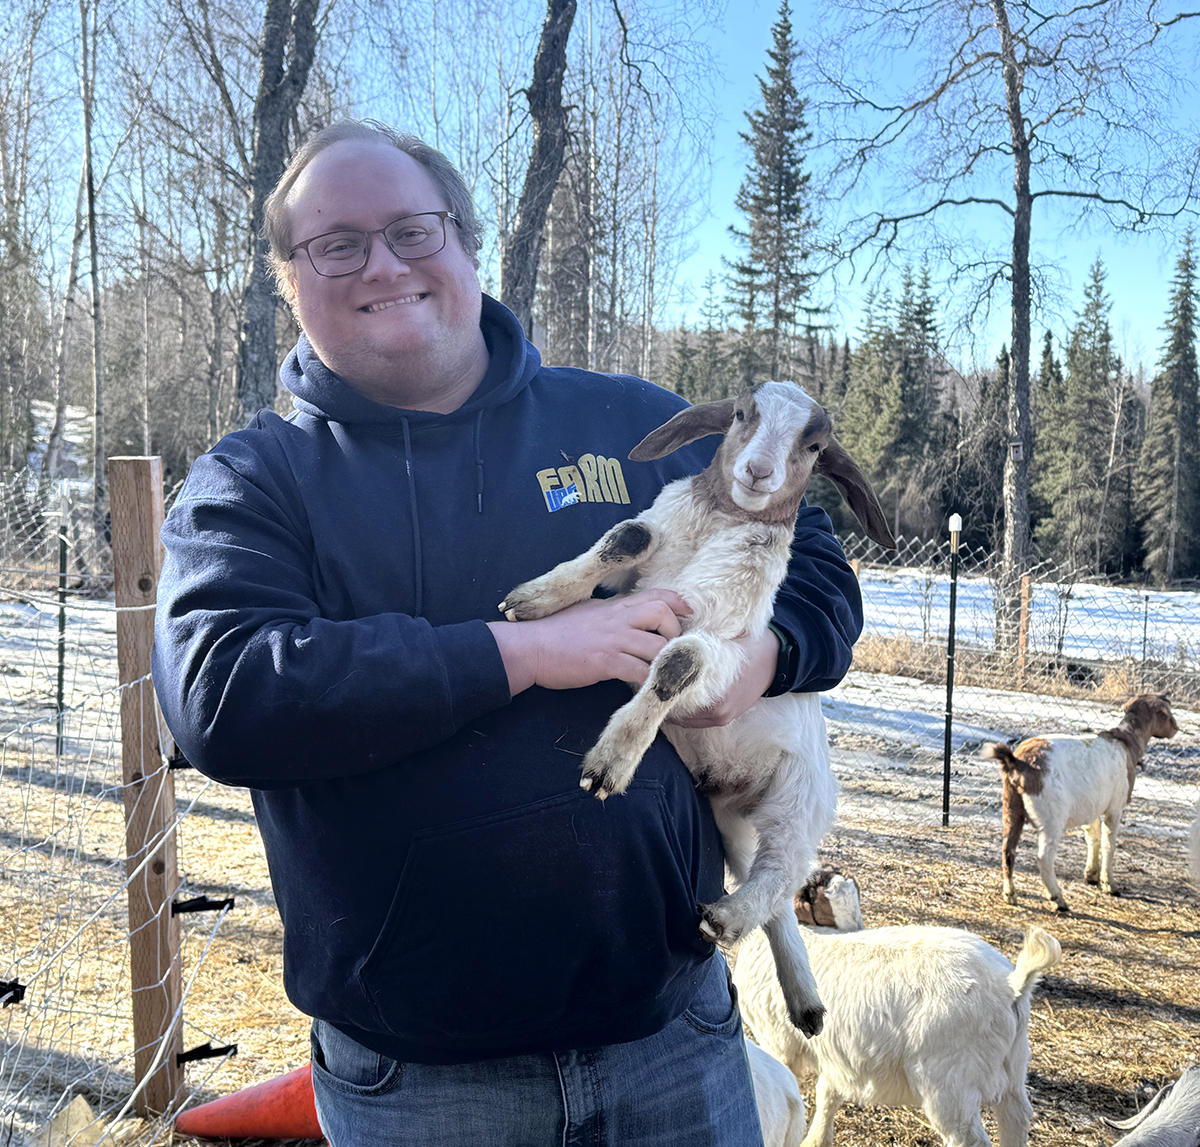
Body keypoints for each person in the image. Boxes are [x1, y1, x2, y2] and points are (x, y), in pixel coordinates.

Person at [151, 119, 865, 1147]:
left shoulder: (630, 424)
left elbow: (824, 567)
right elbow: (227, 696)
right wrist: (520, 653)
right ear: (287, 280)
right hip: (426, 1084)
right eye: (335, 244)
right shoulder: (256, 480)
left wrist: (763, 657)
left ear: (466, 243)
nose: (382, 264)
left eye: (410, 229)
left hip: (675, 1040)